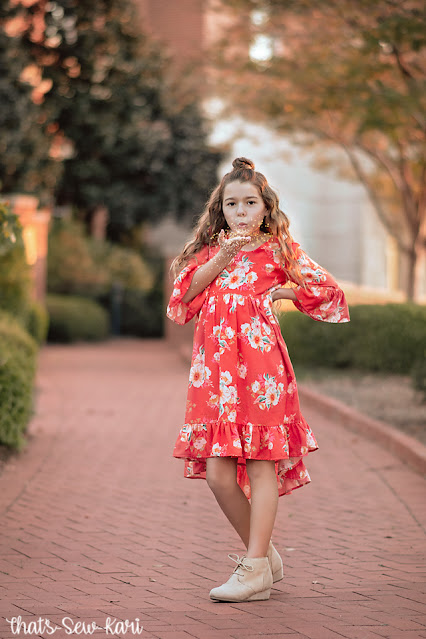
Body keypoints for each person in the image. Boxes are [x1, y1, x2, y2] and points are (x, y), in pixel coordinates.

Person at [166, 157, 350, 603]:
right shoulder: (210, 250)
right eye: (232, 204)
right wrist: (224, 256)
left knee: (261, 462)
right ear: (221, 209)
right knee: (218, 474)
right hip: (215, 376)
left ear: (266, 208)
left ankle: (253, 570)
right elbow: (182, 299)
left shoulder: (278, 249)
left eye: (250, 203)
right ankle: (264, 556)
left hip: (262, 371)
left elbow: (329, 292)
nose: (241, 211)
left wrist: (285, 290)